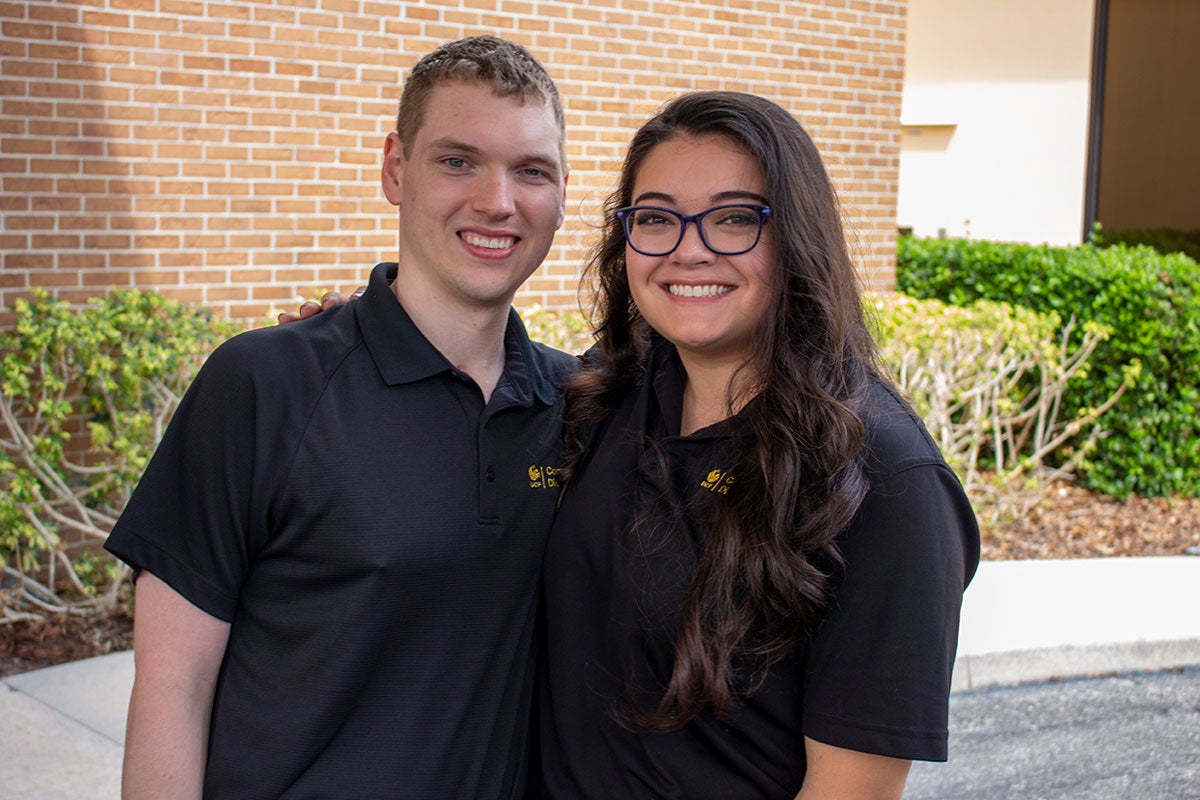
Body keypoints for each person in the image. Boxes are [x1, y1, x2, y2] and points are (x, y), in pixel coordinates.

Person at [104, 36, 575, 799]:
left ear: (561, 192)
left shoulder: (583, 405)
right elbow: (172, 689)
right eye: (458, 160)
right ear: (397, 169)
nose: (498, 200)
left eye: (531, 170)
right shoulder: (263, 384)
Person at [534, 91, 980, 799]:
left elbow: (849, 792)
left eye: (735, 218)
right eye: (655, 218)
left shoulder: (886, 480)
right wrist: (359, 334)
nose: (688, 249)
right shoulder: (609, 396)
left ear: (796, 237)